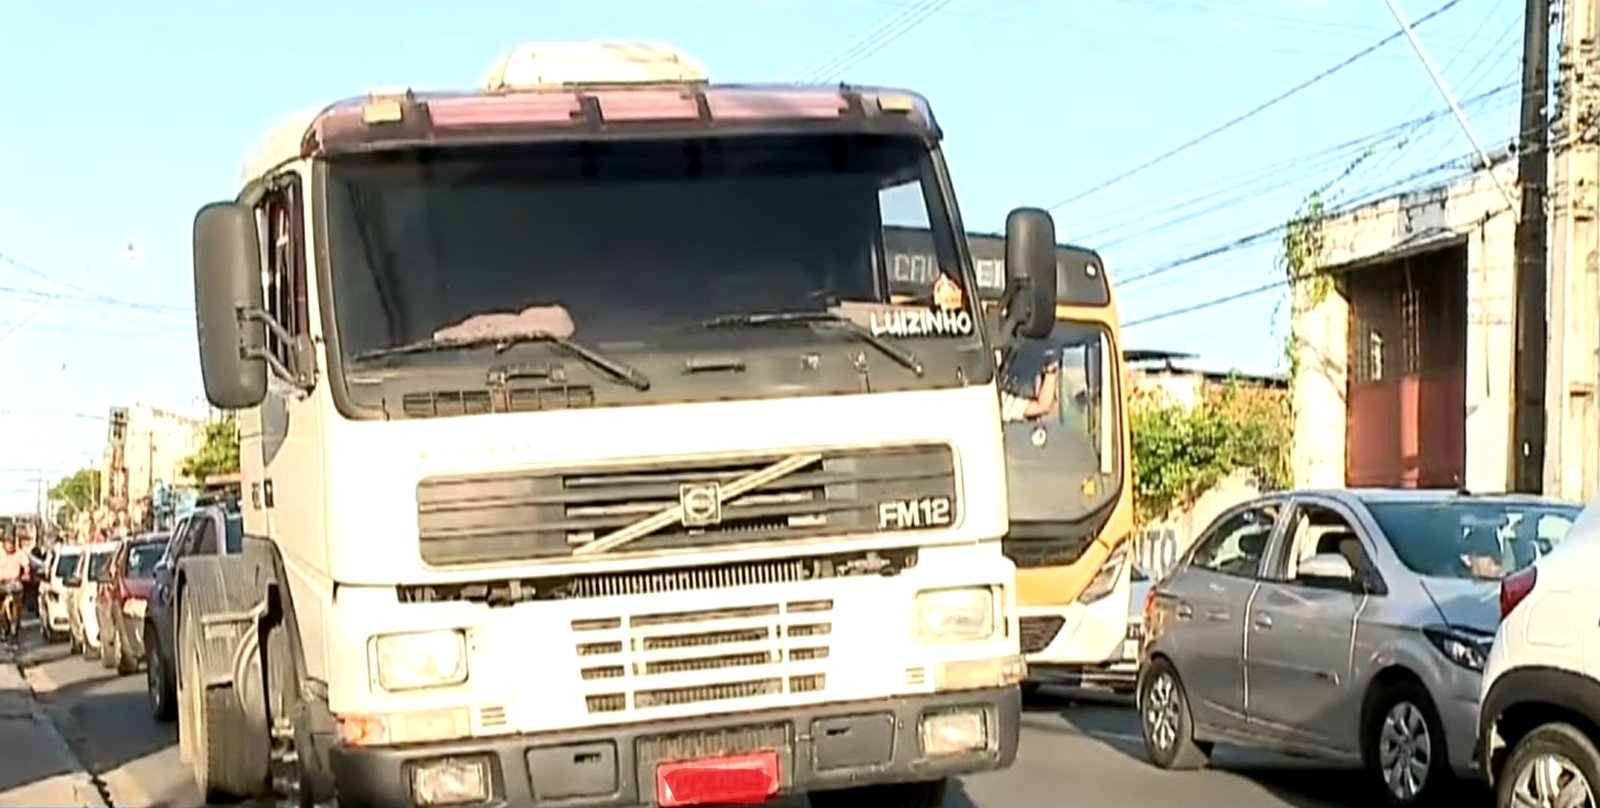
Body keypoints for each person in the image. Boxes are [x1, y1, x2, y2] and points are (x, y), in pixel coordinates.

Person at [998, 345, 1060, 423]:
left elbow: (1043, 406)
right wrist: (1051, 369)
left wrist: (1051, 369)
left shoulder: (997, 405)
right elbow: (1043, 406)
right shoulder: (996, 407)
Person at [0, 538, 30, 636]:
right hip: (2, 583)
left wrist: (26, 573)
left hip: (15, 583)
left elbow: (26, 564)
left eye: (11, 543)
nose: (10, 546)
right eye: (8, 543)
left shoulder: (19, 553)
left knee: (18, 600)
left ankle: (15, 622)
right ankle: (3, 624)